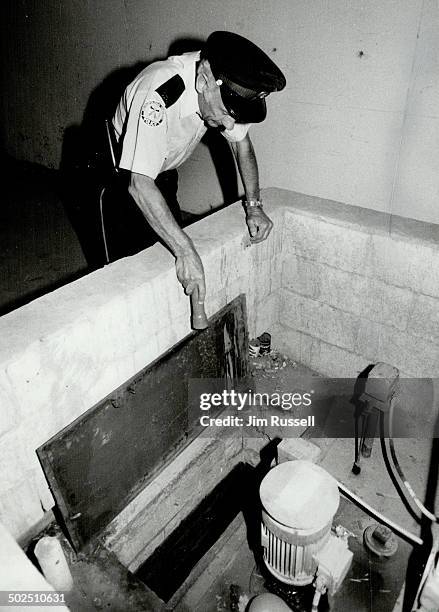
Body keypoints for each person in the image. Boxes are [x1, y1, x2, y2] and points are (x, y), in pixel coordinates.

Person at [111, 31, 286, 303]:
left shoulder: (219, 83)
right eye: (227, 114)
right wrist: (185, 251)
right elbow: (139, 183)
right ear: (204, 80)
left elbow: (242, 144)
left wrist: (254, 206)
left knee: (167, 255)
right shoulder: (158, 91)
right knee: (123, 271)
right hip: (114, 175)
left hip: (161, 171)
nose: (229, 126)